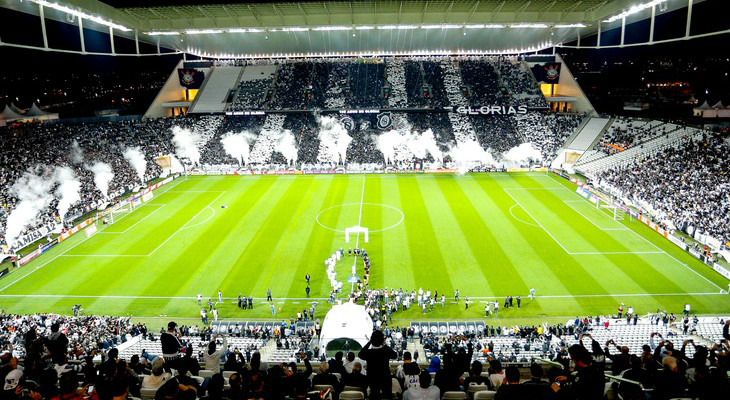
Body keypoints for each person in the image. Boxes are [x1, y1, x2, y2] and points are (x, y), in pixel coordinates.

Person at [358, 330, 397, 400]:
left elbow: (360, 354)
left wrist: (369, 342)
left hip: (372, 378)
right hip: (385, 377)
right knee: (387, 396)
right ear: (382, 340)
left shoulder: (368, 352)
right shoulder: (385, 351)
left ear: (372, 340)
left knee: (374, 395)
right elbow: (395, 355)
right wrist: (384, 344)